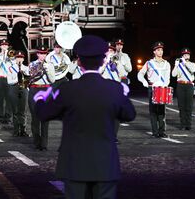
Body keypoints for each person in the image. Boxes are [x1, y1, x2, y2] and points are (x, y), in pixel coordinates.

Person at [34, 35, 136, 199]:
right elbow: (129, 115)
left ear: (79, 62)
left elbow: (44, 114)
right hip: (105, 166)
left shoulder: (68, 89)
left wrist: (40, 99)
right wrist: (123, 95)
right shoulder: (114, 88)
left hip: (75, 165)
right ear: (103, 61)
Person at [24, 46, 55, 150]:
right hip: (35, 90)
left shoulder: (50, 65)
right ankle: (37, 142)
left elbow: (52, 80)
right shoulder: (32, 64)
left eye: (44, 53)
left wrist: (47, 70)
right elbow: (30, 77)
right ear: (37, 54)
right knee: (35, 118)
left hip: (46, 90)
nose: (42, 55)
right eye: (41, 53)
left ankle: (44, 144)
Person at [137, 41, 171, 138]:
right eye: (158, 50)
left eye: (161, 50)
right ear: (154, 52)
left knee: (162, 110)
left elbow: (168, 77)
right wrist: (144, 81)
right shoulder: (149, 63)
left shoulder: (167, 64)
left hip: (162, 88)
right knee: (153, 110)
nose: (160, 52)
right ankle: (155, 132)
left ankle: (162, 131)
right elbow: (140, 74)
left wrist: (164, 85)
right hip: (152, 88)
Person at [171, 48, 195, 130]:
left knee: (189, 106)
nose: (186, 56)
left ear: (189, 56)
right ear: (182, 56)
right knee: (181, 106)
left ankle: (188, 124)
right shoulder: (179, 66)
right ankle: (182, 124)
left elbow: (193, 70)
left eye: (187, 54)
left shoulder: (192, 64)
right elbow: (173, 75)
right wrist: (176, 65)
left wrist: (185, 63)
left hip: (189, 86)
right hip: (180, 85)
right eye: (184, 55)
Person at [7, 51, 29, 137]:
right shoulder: (11, 68)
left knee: (23, 110)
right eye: (17, 57)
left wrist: (24, 78)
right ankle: (16, 129)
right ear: (15, 59)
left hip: (23, 88)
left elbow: (28, 80)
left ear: (23, 59)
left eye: (21, 57)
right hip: (14, 88)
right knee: (15, 110)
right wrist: (18, 79)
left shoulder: (26, 68)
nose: (19, 59)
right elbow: (9, 81)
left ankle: (23, 129)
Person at [0, 39, 12, 125]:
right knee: (0, 98)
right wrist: (2, 60)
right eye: (3, 45)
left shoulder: (11, 56)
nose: (4, 47)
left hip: (8, 78)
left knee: (9, 98)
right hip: (0, 78)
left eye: (6, 45)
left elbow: (12, 67)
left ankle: (8, 116)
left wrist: (8, 58)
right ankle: (1, 116)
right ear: (0, 46)